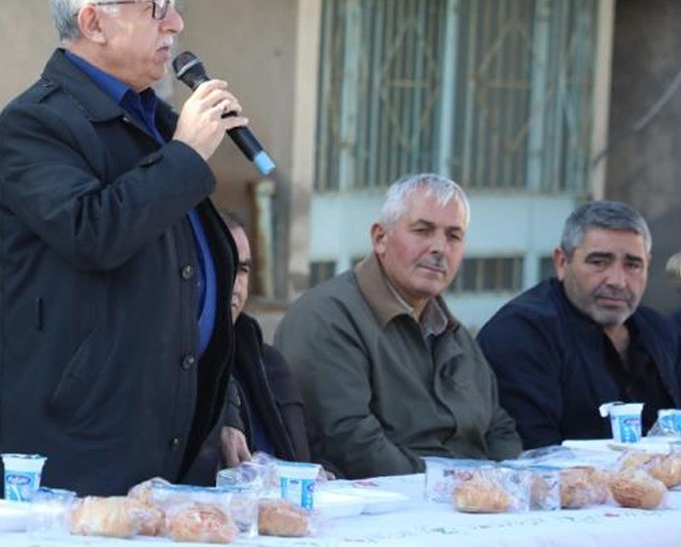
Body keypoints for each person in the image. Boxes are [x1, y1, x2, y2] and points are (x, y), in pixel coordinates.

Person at [0, 0, 249, 496]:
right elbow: (93, 232)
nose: (175, 23)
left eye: (171, 5)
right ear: (93, 22)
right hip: (83, 446)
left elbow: (191, 282)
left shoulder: (156, 123)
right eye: (156, 8)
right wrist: (185, 156)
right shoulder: (35, 124)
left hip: (179, 435)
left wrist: (223, 406)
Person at [275, 174, 521, 479]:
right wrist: (450, 485)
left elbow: (499, 427)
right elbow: (351, 443)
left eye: (453, 236)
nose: (440, 248)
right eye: (422, 230)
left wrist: (504, 484)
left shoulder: (449, 329)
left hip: (473, 499)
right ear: (380, 238)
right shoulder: (326, 317)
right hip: (387, 500)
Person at [478, 202, 680, 448]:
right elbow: (534, 457)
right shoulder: (519, 334)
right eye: (599, 262)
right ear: (562, 262)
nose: (618, 281)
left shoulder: (660, 331)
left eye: (632, 265)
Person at [219, 210, 315, 464]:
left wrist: (325, 473)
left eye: (243, 269)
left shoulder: (268, 362)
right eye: (223, 264)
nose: (235, 285)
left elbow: (311, 453)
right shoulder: (170, 372)